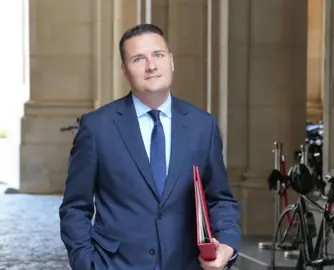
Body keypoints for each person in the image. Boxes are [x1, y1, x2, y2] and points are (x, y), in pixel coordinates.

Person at [59, 23, 241, 270]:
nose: (151, 65)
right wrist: (85, 262)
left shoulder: (203, 125)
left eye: (158, 55)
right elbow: (75, 207)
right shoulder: (97, 127)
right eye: (138, 59)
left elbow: (220, 199)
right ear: (124, 69)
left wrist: (227, 246)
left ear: (171, 61)